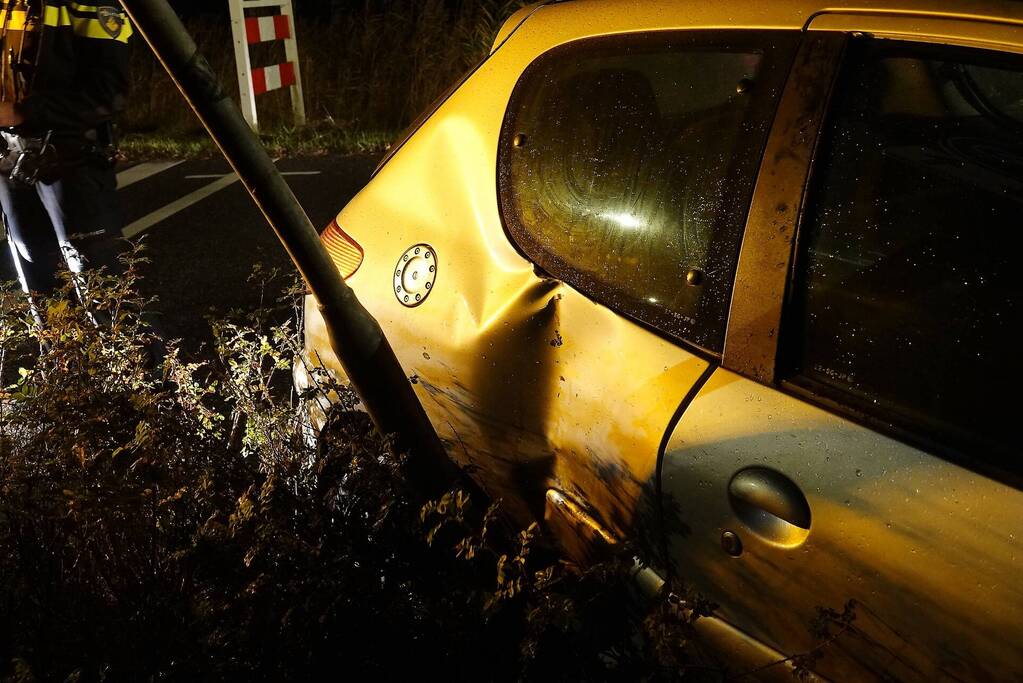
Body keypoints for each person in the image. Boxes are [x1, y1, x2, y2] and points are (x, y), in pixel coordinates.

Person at [0, 0, 132, 313]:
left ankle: (128, 347)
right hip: (9, 156)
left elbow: (109, 92)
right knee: (39, 284)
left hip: (70, 157)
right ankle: (58, 347)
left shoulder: (89, 3)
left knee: (100, 284)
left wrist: (21, 111)